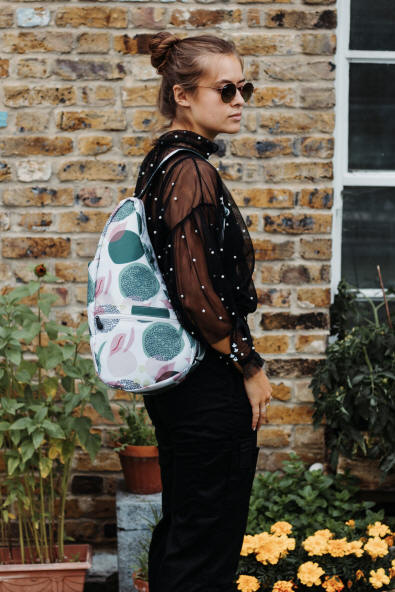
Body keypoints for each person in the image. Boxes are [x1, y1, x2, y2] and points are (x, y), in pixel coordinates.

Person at [134, 31, 273, 592]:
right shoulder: (190, 169)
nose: (239, 99)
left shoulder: (162, 161)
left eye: (245, 87)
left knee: (187, 532)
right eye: (226, 88)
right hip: (205, 384)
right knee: (206, 546)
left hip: (180, 383)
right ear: (183, 94)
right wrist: (250, 364)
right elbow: (195, 294)